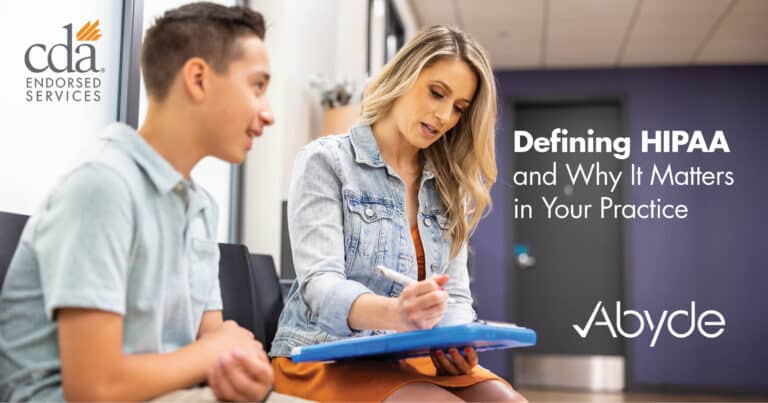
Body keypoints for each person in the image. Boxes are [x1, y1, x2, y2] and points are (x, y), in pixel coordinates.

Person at [0, 3, 301, 402]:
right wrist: (215, 350)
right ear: (198, 78)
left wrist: (239, 370)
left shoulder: (201, 207)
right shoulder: (102, 188)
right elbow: (95, 388)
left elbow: (215, 343)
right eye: (257, 86)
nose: (268, 114)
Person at [269, 25, 528, 402]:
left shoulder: (447, 187)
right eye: (436, 93)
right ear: (403, 77)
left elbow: (455, 297)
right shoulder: (327, 162)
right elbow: (320, 288)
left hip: (406, 357)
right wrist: (398, 314)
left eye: (459, 108)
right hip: (321, 355)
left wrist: (453, 345)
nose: (443, 116)